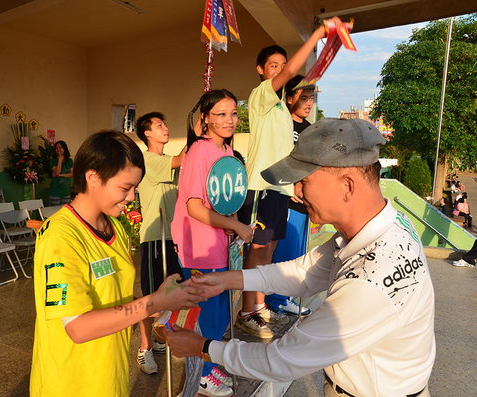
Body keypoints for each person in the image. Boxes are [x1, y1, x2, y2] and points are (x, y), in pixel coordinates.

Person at [167, 118, 435, 397]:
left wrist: (203, 347)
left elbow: (283, 359)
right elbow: (304, 272)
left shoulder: (372, 277)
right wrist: (225, 280)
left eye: (304, 181)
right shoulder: (388, 226)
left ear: (347, 185)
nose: (296, 191)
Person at [29, 130, 205, 397]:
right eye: (125, 188)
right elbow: (77, 326)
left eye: (135, 187)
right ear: (93, 178)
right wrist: (154, 302)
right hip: (73, 382)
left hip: (110, 374)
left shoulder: (114, 228)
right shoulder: (61, 236)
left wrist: (160, 305)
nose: (132, 197)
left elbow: (110, 295)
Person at [236, 17, 340, 338]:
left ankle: (260, 304)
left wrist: (294, 182)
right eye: (273, 65)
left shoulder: (282, 109)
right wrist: (320, 34)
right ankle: (246, 310)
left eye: (282, 64)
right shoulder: (262, 97)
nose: (279, 69)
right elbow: (292, 73)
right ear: (261, 71)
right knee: (256, 249)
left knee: (268, 251)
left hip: (279, 187)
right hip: (261, 186)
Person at [171, 89, 253, 397]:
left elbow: (222, 201)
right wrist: (235, 225)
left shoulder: (228, 153)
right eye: (221, 114)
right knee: (206, 312)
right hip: (199, 246)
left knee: (220, 310)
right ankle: (203, 375)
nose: (230, 120)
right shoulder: (199, 152)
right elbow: (194, 206)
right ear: (204, 118)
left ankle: (211, 362)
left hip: (219, 243)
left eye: (234, 113)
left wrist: (230, 227)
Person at [134, 112, 187, 374]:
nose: (165, 128)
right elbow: (183, 158)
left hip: (172, 237)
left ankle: (157, 340)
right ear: (147, 133)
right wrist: (196, 130)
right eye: (159, 126)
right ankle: (144, 350)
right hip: (155, 238)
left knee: (170, 293)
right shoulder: (148, 159)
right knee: (152, 297)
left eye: (165, 124)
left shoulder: (168, 161)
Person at [264, 75, 316, 313]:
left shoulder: (310, 130)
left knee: (296, 254)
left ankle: (284, 299)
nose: (308, 104)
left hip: (303, 202)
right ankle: (274, 301)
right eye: (303, 98)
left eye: (311, 99)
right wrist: (291, 183)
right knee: (281, 254)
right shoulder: (282, 123)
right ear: (289, 97)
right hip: (283, 198)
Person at [49, 140, 74, 206]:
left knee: (64, 212)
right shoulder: (53, 160)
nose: (58, 150)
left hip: (66, 192)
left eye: (60, 148)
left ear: (64, 148)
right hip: (55, 192)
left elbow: (72, 173)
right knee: (54, 213)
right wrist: (59, 160)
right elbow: (57, 172)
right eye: (56, 148)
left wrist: (61, 175)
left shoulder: (69, 161)